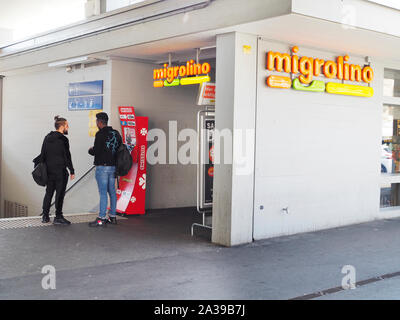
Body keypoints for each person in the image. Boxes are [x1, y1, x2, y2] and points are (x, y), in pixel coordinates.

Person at [88, 112, 122, 227]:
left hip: (102, 168)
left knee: (103, 193)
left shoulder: (100, 134)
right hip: (113, 167)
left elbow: (96, 150)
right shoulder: (116, 133)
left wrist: (91, 150)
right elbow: (119, 149)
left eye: (96, 121)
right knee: (112, 192)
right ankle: (112, 217)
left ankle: (101, 218)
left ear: (99, 122)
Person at [40, 116, 75, 224]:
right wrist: (72, 170)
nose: (68, 127)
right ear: (62, 126)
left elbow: (43, 154)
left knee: (48, 193)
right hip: (60, 171)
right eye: (67, 125)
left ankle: (45, 216)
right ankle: (58, 217)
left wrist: (44, 169)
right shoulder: (63, 139)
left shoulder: (47, 137)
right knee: (60, 194)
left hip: (49, 171)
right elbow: (67, 156)